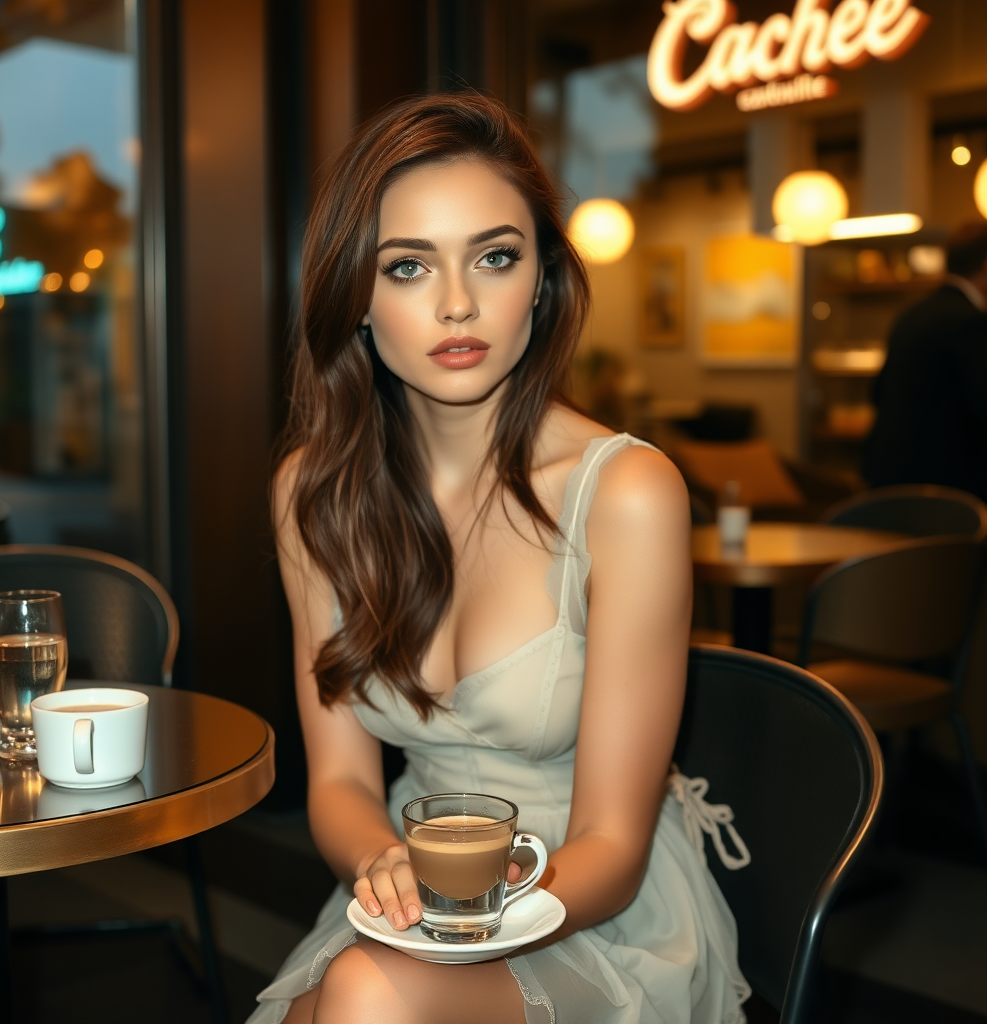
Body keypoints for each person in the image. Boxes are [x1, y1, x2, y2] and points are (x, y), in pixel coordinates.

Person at [251, 92, 750, 1024]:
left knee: (359, 1001)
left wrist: (458, 918)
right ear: (355, 298)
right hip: (402, 893)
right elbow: (343, 783)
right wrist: (387, 873)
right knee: (349, 1000)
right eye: (407, 266)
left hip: (589, 902)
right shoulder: (312, 493)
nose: (456, 303)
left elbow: (612, 842)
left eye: (495, 256)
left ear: (543, 281)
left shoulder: (628, 493)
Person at [863, 222, 987, 502]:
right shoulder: (970, 322)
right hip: (946, 489)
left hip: (890, 477)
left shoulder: (911, 314)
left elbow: (879, 392)